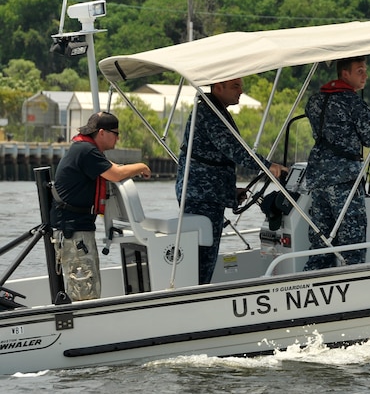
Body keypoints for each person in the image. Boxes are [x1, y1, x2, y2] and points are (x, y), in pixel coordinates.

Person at [175, 78, 286, 284]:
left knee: (204, 255)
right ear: (218, 88)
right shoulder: (209, 113)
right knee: (203, 258)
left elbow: (215, 157)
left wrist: (229, 190)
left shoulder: (212, 110)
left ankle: (198, 294)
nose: (241, 91)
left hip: (205, 194)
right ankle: (195, 299)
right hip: (202, 198)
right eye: (236, 86)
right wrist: (268, 166)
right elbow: (233, 149)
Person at [51, 112, 152, 301]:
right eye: (115, 133)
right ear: (102, 132)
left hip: (73, 229)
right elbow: (115, 174)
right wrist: (141, 166)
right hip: (74, 231)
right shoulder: (87, 151)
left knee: (86, 287)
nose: (118, 138)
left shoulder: (85, 149)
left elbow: (112, 167)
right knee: (85, 292)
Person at [303, 56, 370, 271]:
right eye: (359, 71)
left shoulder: (314, 101)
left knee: (321, 241)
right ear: (344, 74)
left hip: (317, 176)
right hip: (344, 177)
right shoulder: (353, 102)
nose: (365, 75)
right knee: (352, 242)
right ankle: (353, 284)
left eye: (365, 71)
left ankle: (313, 281)